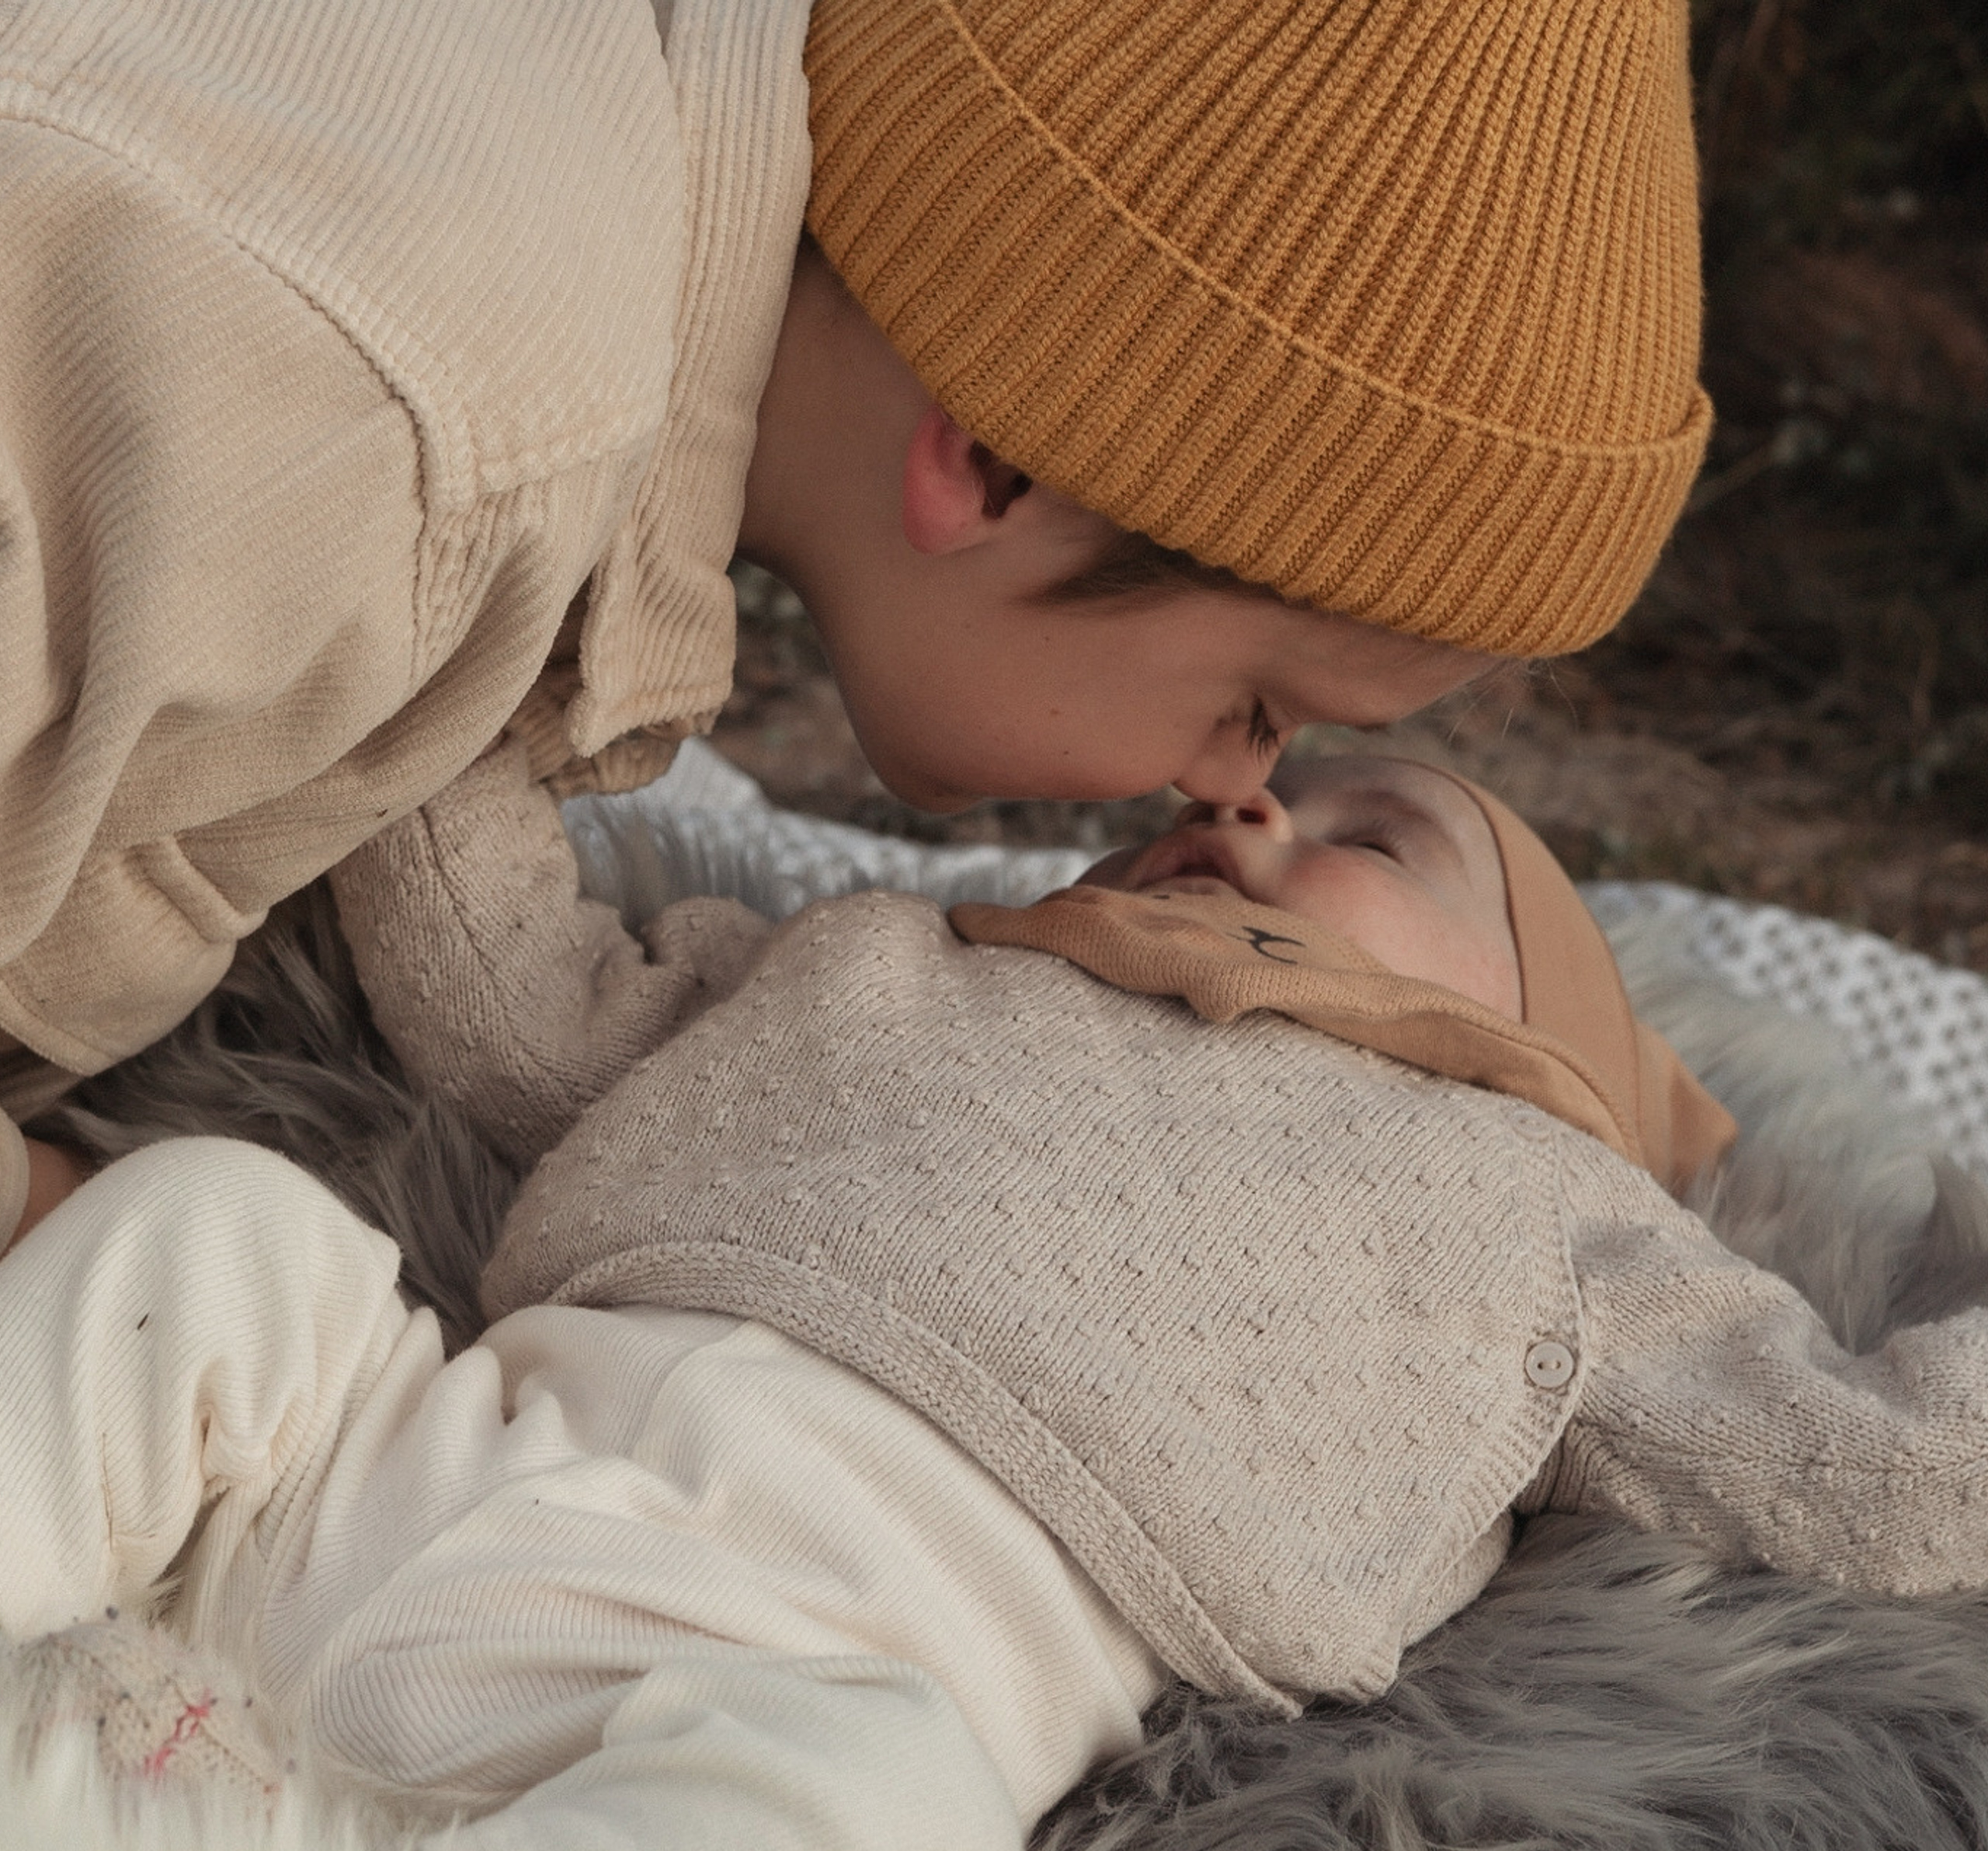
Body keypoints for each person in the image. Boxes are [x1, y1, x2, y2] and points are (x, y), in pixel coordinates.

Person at [11, 739, 1988, 1851]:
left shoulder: (1559, 1220)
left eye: (1371, 825)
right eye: (1225, 785)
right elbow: (508, 996)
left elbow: (1877, 1463)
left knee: (894, 1827)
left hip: (763, 1681)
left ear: (1551, 1038)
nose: (1243, 798)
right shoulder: (894, 958)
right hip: (421, 1443)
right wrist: (488, 691)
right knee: (214, 1231)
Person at [0, 0, 1712, 1207]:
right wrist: (80, 1235)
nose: (1224, 784)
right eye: (1257, 703)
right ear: (995, 467)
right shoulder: (383, 431)